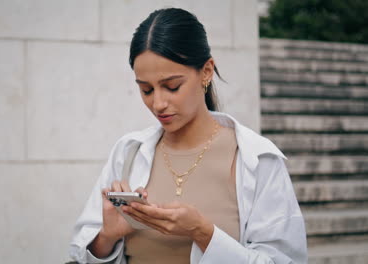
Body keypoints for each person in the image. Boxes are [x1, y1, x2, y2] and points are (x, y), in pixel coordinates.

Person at [69, 7, 307, 264]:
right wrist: (107, 237)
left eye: (172, 87)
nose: (158, 103)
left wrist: (203, 233)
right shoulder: (128, 152)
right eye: (146, 90)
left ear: (206, 72)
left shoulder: (256, 159)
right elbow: (80, 255)